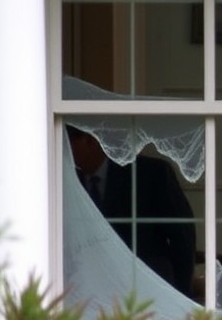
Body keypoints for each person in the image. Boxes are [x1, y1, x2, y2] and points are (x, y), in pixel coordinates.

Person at [67, 125, 197, 298]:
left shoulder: (151, 174)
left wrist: (180, 294)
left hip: (146, 291)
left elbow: (182, 235)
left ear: (89, 140)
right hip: (90, 295)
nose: (66, 153)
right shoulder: (68, 181)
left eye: (69, 145)